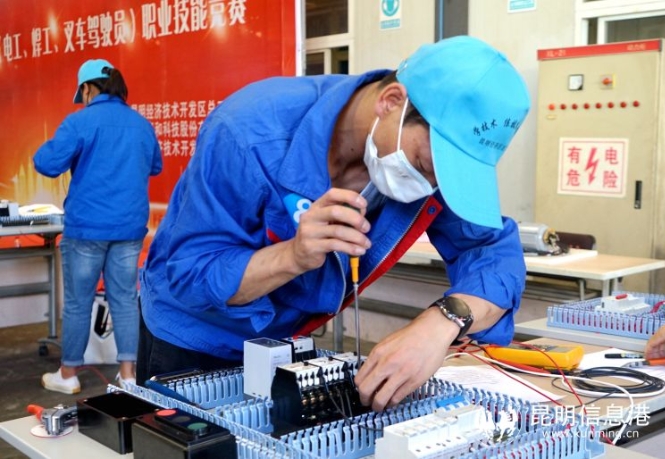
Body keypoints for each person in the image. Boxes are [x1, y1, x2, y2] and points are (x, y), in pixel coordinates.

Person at [138, 36, 530, 411]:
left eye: (446, 180)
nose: (430, 187)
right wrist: (293, 256)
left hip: (284, 344)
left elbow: (492, 253)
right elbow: (192, 274)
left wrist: (441, 322)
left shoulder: (431, 162)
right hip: (193, 341)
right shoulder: (247, 132)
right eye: (426, 166)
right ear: (391, 102)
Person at [34, 59, 163, 394]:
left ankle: (68, 374)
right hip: (129, 227)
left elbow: (46, 163)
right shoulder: (141, 124)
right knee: (125, 299)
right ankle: (129, 375)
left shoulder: (80, 121)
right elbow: (155, 166)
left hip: (87, 229)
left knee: (79, 302)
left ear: (87, 89)